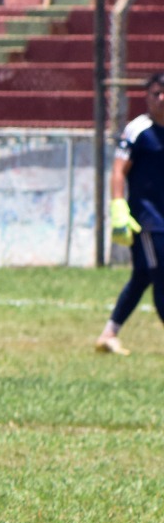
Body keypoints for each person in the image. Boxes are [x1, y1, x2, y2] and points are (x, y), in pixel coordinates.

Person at [97, 72, 164, 355]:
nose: (160, 99)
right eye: (155, 93)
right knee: (162, 274)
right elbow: (118, 169)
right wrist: (118, 206)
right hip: (149, 219)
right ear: (146, 97)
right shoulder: (138, 130)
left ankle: (109, 334)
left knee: (142, 276)